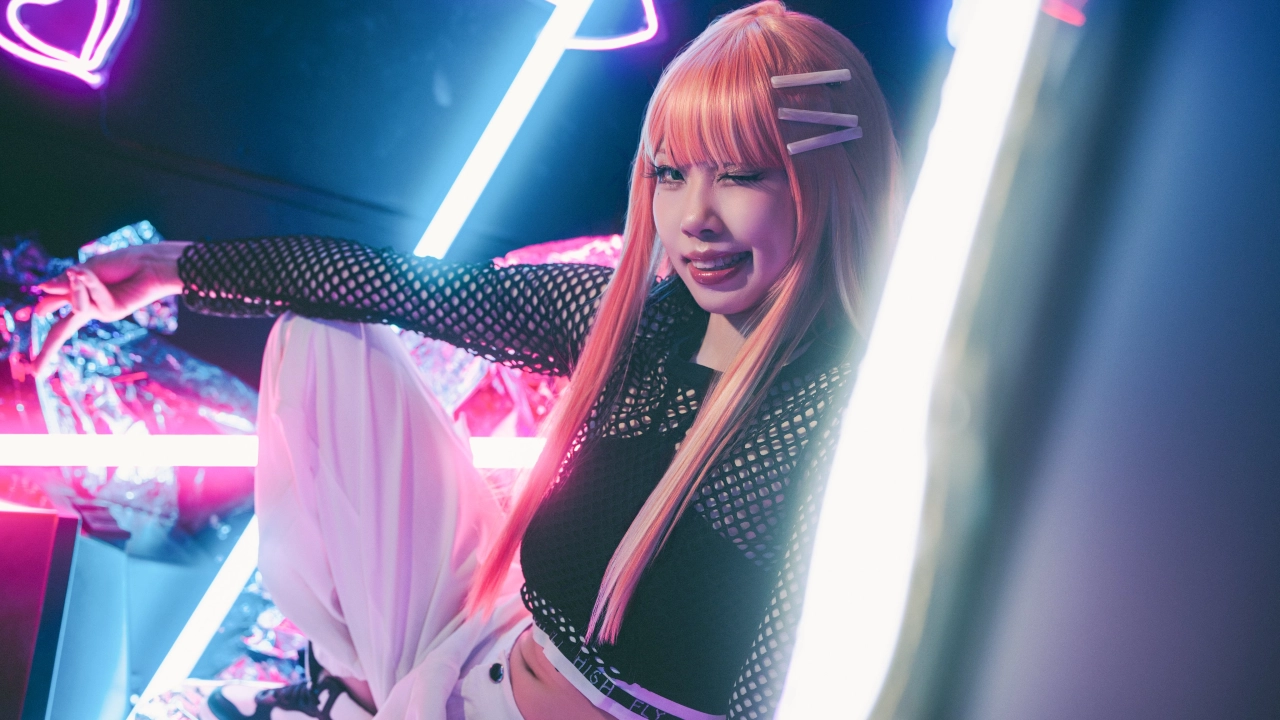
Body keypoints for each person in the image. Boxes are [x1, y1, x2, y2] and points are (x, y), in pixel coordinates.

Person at [32, 2, 900, 718]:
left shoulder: (842, 427)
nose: (696, 218)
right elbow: (384, 284)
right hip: (467, 659)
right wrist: (168, 267)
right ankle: (350, 686)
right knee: (323, 337)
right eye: (672, 174)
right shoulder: (637, 323)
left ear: (832, 182)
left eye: (742, 175)